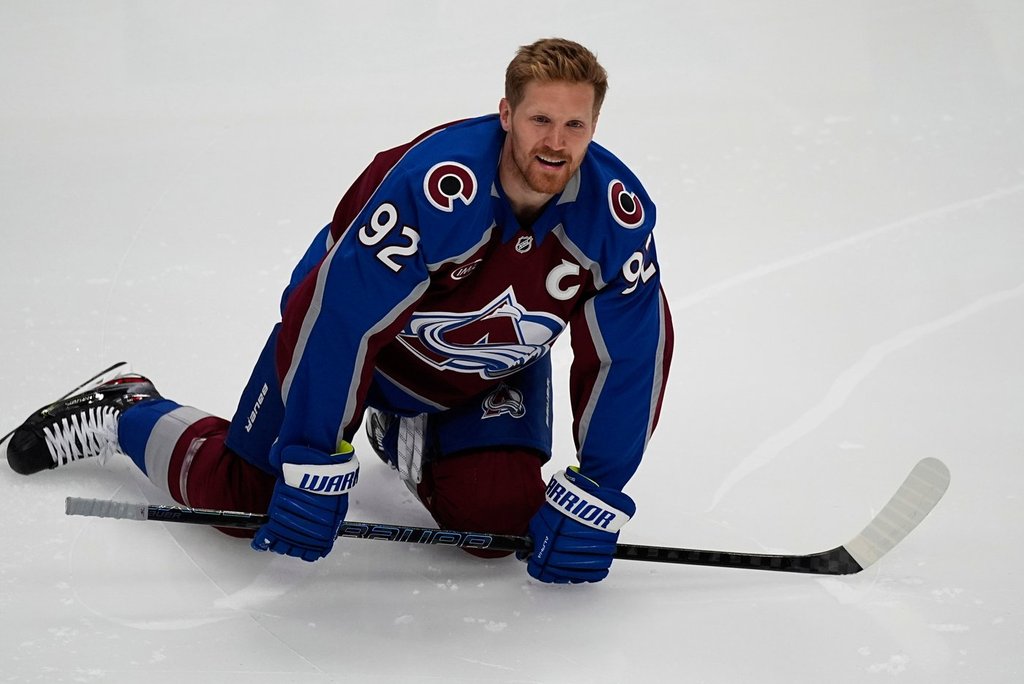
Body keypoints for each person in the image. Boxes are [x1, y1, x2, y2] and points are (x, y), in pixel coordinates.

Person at [4, 38, 673, 584]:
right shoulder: (436, 188)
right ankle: (126, 411)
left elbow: (630, 354)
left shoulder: (616, 214)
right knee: (246, 501)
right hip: (356, 351)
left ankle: (406, 435)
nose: (554, 142)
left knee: (499, 526)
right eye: (540, 120)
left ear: (594, 127)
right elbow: (338, 319)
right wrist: (315, 451)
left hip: (484, 371)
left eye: (575, 125)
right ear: (506, 114)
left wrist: (599, 486)